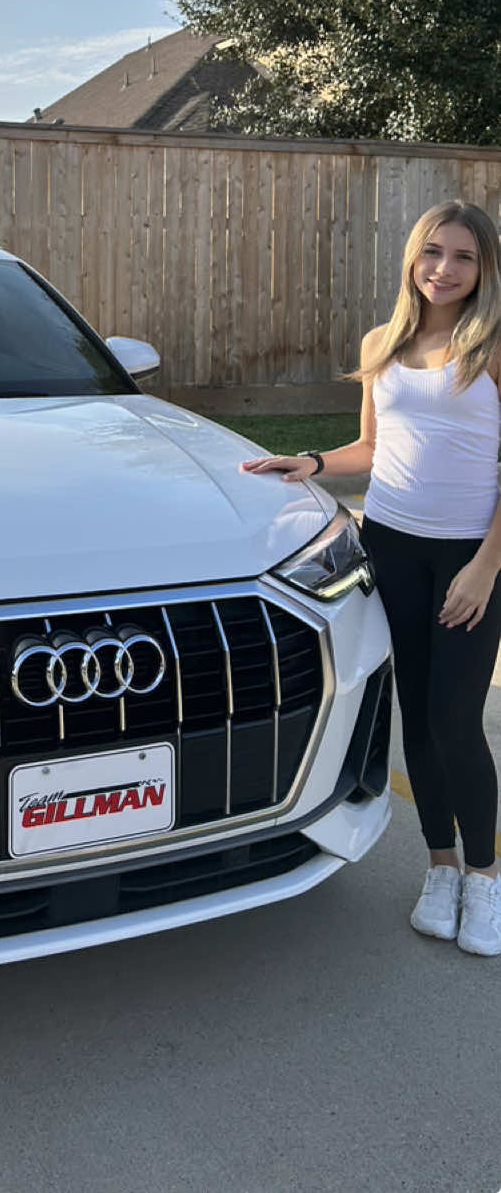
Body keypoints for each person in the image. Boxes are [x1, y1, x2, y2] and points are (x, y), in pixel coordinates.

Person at [239, 199, 501, 956]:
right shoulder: (382, 342)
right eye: (432, 252)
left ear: (484, 268)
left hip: (467, 557)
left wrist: (486, 565)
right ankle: (441, 867)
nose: (444, 269)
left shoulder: (491, 343)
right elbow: (370, 446)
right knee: (414, 718)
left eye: (463, 256)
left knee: (456, 720)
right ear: (412, 258)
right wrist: (314, 463)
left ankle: (485, 877)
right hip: (389, 545)